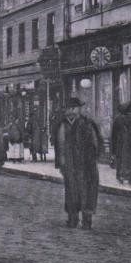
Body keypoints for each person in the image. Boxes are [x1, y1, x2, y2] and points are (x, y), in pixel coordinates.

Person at [56, 97, 103, 230]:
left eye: (76, 108)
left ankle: (86, 220)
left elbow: (95, 143)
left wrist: (93, 158)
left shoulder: (86, 123)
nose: (75, 110)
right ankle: (73, 219)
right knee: (72, 191)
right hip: (72, 165)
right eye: (75, 108)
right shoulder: (63, 125)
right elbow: (60, 146)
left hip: (86, 165)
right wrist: (63, 164)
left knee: (86, 191)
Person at [111, 103, 131, 185]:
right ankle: (130, 178)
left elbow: (113, 135)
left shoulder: (117, 119)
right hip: (130, 143)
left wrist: (113, 148)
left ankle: (120, 177)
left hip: (120, 143)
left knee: (120, 160)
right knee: (130, 160)